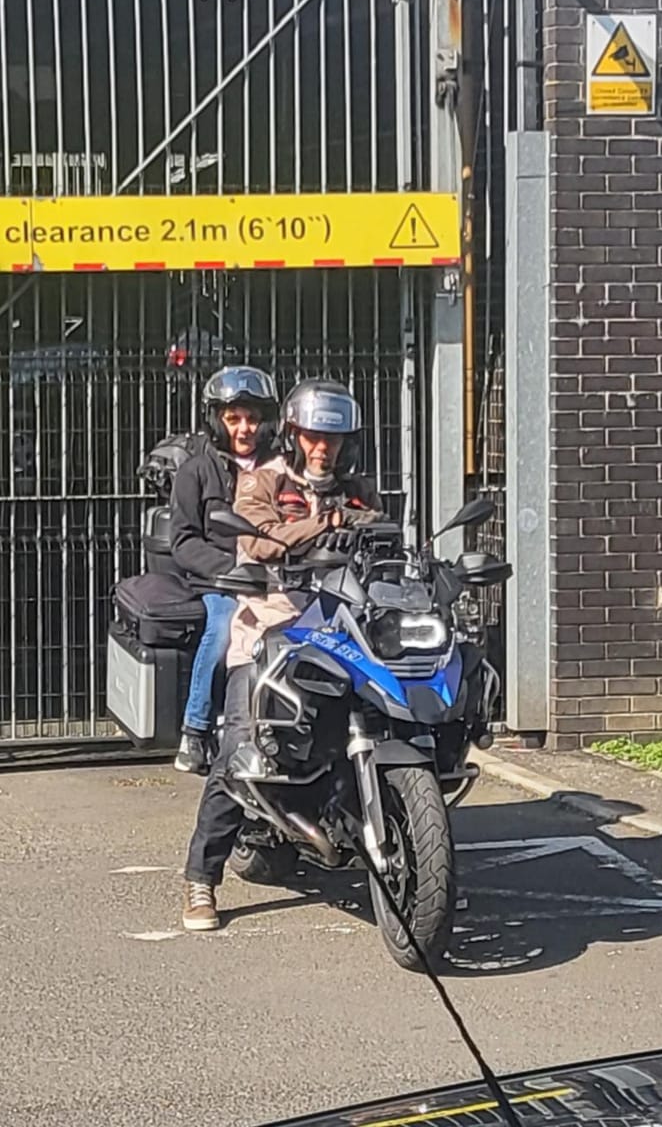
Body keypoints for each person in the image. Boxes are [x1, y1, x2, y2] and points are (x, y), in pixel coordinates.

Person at [181, 377, 385, 931]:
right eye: (313, 436)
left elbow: (383, 529)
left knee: (383, 729)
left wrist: (357, 524)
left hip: (344, 628)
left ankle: (412, 867)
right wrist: (326, 524)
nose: (324, 448)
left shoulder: (357, 487)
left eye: (334, 439)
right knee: (240, 752)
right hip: (271, 626)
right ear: (292, 434)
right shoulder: (263, 481)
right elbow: (258, 541)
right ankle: (201, 879)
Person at [169, 365, 280, 775]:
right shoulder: (196, 471)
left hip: (274, 579)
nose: (245, 428)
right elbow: (182, 541)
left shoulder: (280, 471)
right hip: (219, 582)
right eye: (234, 419)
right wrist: (232, 568)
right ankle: (194, 730)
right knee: (223, 631)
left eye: (252, 418)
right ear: (217, 420)